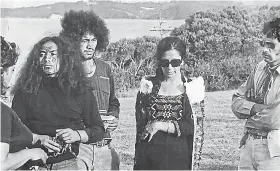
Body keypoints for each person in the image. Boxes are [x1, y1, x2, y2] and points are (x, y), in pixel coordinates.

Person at [11, 36, 105, 170]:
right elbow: (14, 130)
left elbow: (98, 129)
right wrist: (38, 138)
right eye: (42, 55)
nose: (47, 59)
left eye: (53, 54)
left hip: (68, 165)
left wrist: (76, 135)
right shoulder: (25, 91)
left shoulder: (80, 90)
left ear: (65, 58)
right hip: (32, 164)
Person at [60, 10, 120, 170]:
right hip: (79, 149)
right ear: (73, 41)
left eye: (93, 40)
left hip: (104, 145)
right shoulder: (66, 71)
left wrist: (113, 118)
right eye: (85, 40)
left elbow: (113, 102)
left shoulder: (105, 69)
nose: (90, 45)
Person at [134, 36, 203, 170]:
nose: (170, 67)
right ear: (159, 62)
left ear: (182, 61)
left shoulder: (192, 89)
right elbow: (140, 128)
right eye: (165, 62)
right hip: (149, 159)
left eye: (175, 62)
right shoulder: (148, 87)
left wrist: (160, 125)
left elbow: (194, 127)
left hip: (179, 159)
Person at [231, 18, 280, 170]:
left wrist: (249, 115)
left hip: (274, 151)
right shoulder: (260, 67)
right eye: (264, 44)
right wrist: (258, 108)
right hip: (249, 144)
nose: (265, 50)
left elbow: (273, 119)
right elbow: (236, 101)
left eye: (271, 45)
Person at [1, 36, 48, 170]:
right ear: (2, 73)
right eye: (12, 71)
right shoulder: (2, 112)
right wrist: (30, 153)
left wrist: (36, 137)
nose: (12, 77)